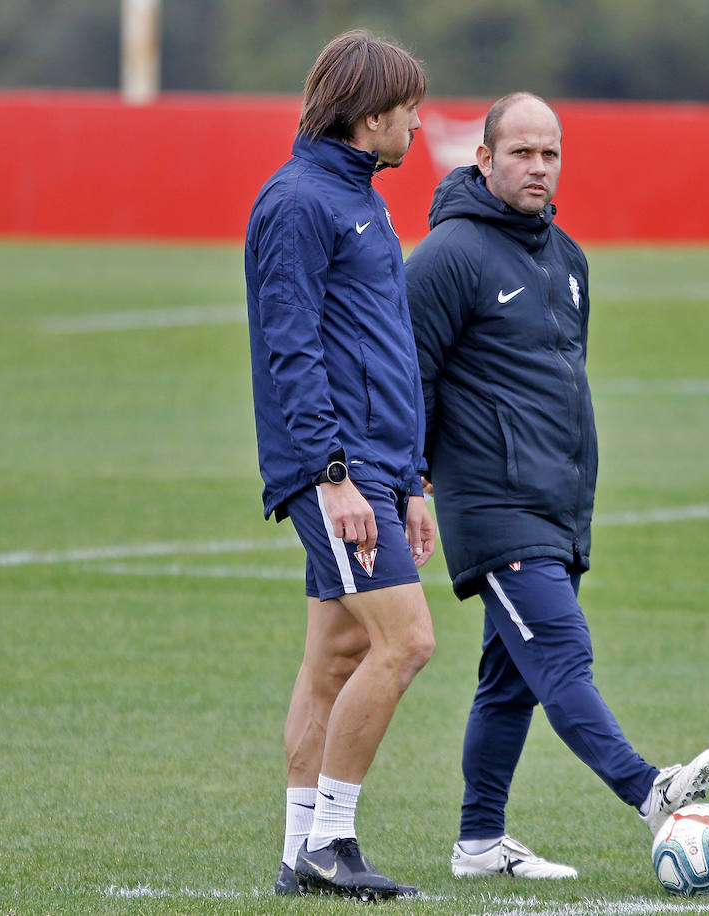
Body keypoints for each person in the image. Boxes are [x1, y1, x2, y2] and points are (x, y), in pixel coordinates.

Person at [404, 92, 709, 881]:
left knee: (508, 683)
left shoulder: (567, 259)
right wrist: (409, 481)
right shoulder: (448, 257)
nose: (538, 167)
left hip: (558, 504)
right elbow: (407, 378)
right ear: (483, 160)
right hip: (493, 505)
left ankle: (479, 842)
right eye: (521, 153)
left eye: (550, 153)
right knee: (562, 655)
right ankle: (649, 791)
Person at [244, 29, 436, 901]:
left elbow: (383, 348)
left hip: (378, 467)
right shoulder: (296, 202)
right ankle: (333, 839)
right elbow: (292, 350)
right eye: (407, 112)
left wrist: (415, 480)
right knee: (406, 642)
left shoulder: (360, 196)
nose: (419, 126)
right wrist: (337, 475)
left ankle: (297, 856)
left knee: (336, 657)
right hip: (337, 469)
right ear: (368, 119)